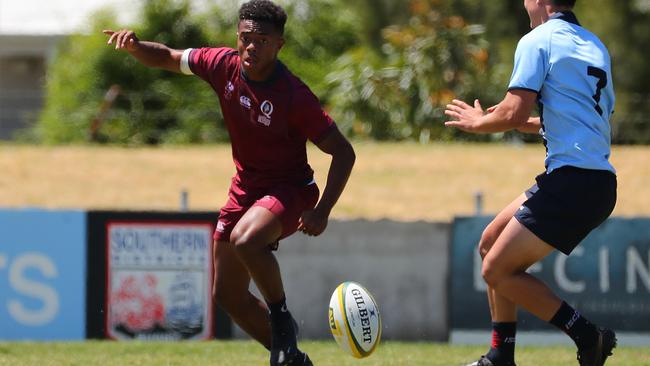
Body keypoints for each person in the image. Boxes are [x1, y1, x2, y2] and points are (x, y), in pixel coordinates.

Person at [104, 1, 356, 365]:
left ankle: (282, 322)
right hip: (246, 188)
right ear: (237, 36)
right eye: (245, 37)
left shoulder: (294, 96)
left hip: (291, 191)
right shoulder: (222, 65)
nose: (251, 46)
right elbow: (169, 57)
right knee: (227, 295)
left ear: (279, 45)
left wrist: (323, 210)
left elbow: (344, 153)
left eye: (262, 40)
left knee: (247, 240)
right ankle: (291, 359)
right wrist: (136, 47)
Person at [444, 1, 616, 365]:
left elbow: (512, 110)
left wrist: (477, 122)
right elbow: (587, 120)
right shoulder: (593, 44)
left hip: (574, 181)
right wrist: (536, 124)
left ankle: (588, 336)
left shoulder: (539, 40)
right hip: (593, 180)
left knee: (497, 270)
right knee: (490, 245)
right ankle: (500, 356)